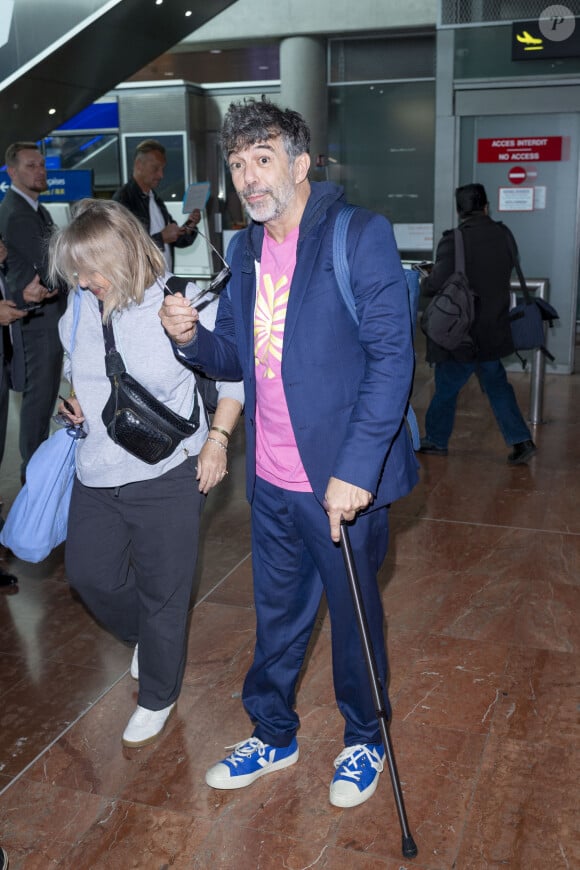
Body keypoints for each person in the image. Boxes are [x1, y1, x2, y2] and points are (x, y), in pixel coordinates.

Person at [159, 98, 418, 809]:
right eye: (238, 164)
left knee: (354, 617)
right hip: (270, 481)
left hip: (339, 484)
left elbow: (393, 360)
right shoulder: (243, 249)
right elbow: (236, 355)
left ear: (300, 164)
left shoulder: (358, 234)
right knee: (277, 616)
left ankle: (364, 738)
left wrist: (355, 471)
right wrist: (188, 340)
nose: (248, 176)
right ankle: (273, 734)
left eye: (262, 159)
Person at [49, 199, 243, 748]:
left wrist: (217, 441)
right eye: (76, 272)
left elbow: (232, 377)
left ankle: (158, 694)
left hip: (168, 474)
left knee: (164, 590)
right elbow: (75, 365)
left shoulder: (183, 303)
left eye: (91, 269)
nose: (83, 281)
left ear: (125, 256)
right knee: (90, 576)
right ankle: (153, 638)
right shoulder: (82, 305)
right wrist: (75, 398)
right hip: (96, 471)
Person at [419, 183, 537, 465]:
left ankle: (436, 439)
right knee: (497, 386)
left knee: (447, 386)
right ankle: (521, 440)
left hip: (461, 332)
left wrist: (427, 277)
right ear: (486, 206)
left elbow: (436, 284)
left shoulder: (455, 240)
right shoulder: (504, 235)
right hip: (493, 329)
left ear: (460, 211)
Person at [0, 143, 66, 482]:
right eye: (30, 166)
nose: (40, 170)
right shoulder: (17, 212)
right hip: (37, 324)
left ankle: (36, 481)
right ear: (12, 172)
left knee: (42, 404)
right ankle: (33, 485)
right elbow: (50, 272)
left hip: (45, 320)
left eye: (41, 164)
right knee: (38, 404)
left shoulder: (35, 208)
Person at [113, 138, 201, 271]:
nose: (161, 175)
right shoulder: (123, 199)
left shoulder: (156, 200)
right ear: (138, 165)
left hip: (164, 282)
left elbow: (177, 239)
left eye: (162, 169)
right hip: (142, 287)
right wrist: (161, 238)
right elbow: (122, 247)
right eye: (155, 168)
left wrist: (190, 224)